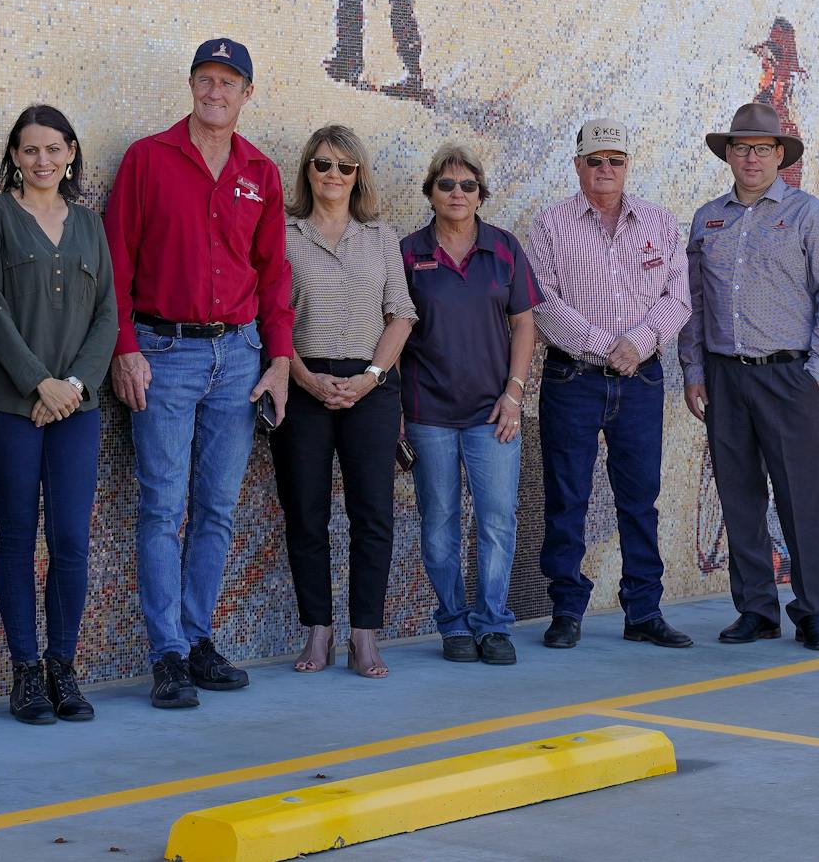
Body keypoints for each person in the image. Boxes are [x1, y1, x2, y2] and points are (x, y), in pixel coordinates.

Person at [104, 38, 293, 709]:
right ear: (192, 85)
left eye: (229, 82)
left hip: (238, 356)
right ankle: (168, 655)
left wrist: (278, 361)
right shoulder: (148, 159)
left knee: (216, 508)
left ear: (247, 94)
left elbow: (274, 275)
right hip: (165, 353)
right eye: (206, 79)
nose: (216, 92)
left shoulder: (260, 172)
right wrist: (125, 347)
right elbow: (116, 261)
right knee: (163, 507)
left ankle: (199, 636)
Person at [681, 103, 819, 651]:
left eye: (761, 149)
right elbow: (694, 303)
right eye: (740, 148)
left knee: (800, 496)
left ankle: (811, 611)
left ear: (780, 155)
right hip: (725, 376)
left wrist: (816, 371)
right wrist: (693, 371)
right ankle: (756, 608)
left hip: (788, 376)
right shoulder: (708, 218)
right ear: (728, 155)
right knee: (739, 497)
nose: (750, 158)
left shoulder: (808, 215)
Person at [0, 105, 117, 724]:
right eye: (30, 150)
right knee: (17, 534)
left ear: (72, 153)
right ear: (14, 156)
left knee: (71, 541)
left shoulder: (88, 225)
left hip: (76, 408)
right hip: (10, 405)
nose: (43, 161)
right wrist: (40, 383)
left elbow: (107, 312)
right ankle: (25, 672)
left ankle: (63, 667)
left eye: (54, 149)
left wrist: (74, 385)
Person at [528, 121, 692, 652]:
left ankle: (643, 610)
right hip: (572, 377)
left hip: (640, 378)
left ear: (626, 166)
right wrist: (603, 344)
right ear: (577, 165)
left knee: (640, 498)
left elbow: (679, 297)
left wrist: (640, 342)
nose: (605, 169)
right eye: (595, 159)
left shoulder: (660, 223)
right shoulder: (551, 225)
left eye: (615, 160)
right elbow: (541, 300)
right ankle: (567, 610)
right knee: (567, 495)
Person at [275, 125, 417, 678]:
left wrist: (372, 376)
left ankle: (364, 634)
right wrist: (306, 379)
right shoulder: (284, 234)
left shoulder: (380, 236)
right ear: (308, 170)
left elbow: (401, 312)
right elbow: (272, 315)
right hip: (303, 383)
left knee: (372, 513)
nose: (333, 175)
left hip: (370, 387)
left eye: (345, 166)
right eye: (323, 164)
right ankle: (319, 630)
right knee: (305, 511)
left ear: (358, 175)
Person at [400, 143, 539, 665]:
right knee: (438, 521)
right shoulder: (409, 253)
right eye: (446, 184)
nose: (457, 193)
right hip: (428, 412)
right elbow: (393, 327)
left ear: (481, 194)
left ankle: (492, 624)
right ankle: (454, 624)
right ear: (431, 191)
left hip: (492, 412)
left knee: (498, 521)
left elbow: (524, 323)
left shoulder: (503, 249)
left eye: (468, 185)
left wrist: (515, 393)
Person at [750, 16, 805, 189]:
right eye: (765, 68)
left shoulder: (788, 135)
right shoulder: (752, 120)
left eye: (773, 68)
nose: (765, 79)